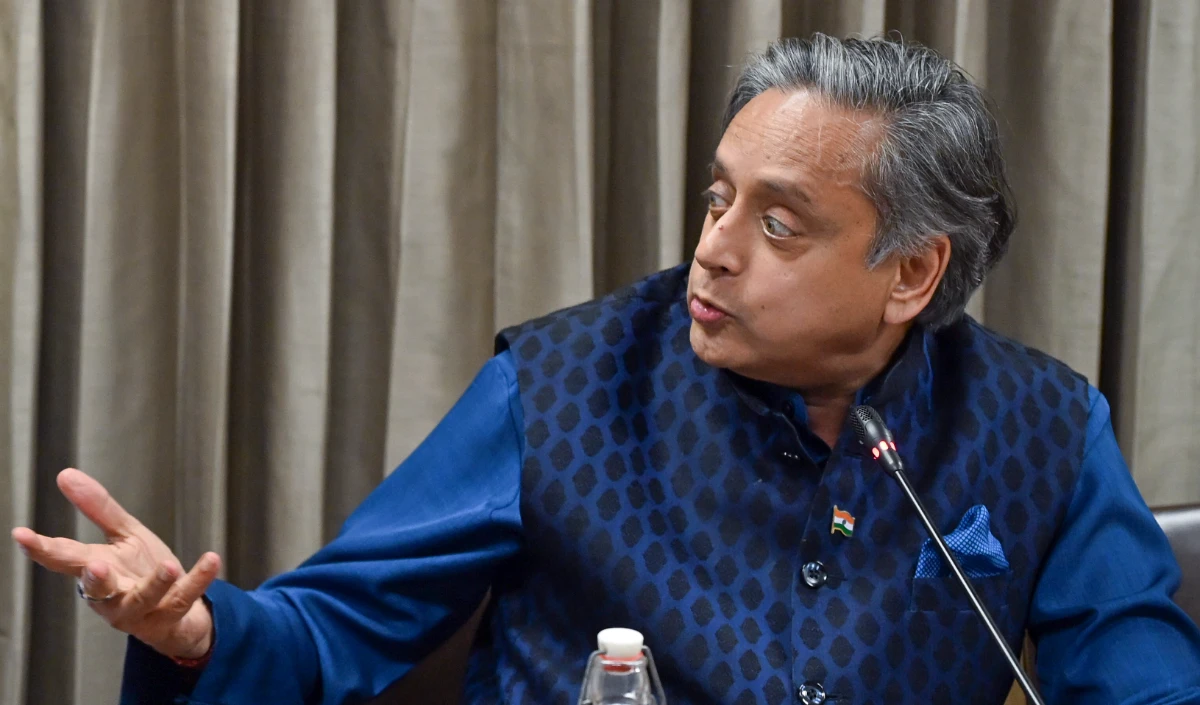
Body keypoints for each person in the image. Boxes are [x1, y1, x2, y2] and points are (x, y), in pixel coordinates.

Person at [12, 33, 1200, 705]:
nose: (715, 248)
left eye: (778, 224)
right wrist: (196, 632)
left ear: (912, 272)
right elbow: (330, 634)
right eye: (719, 198)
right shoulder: (562, 386)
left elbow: (1140, 682)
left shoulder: (1044, 425)